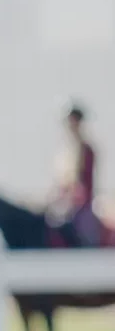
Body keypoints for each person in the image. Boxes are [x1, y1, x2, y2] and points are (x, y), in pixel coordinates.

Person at [50, 104, 102, 247]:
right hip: (65, 205)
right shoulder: (66, 150)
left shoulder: (85, 149)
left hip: (81, 209)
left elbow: (82, 184)